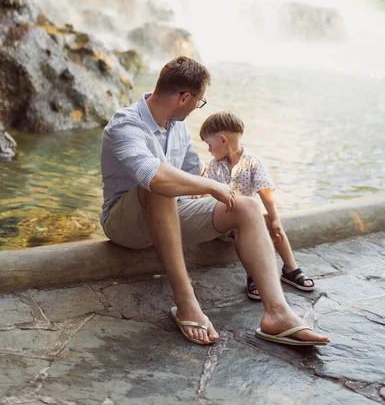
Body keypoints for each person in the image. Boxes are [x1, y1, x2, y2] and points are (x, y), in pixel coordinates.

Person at [100, 56, 330, 347]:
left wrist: (220, 207)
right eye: (200, 101)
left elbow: (195, 173)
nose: (199, 106)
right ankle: (186, 303)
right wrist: (210, 186)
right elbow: (157, 178)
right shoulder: (126, 124)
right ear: (185, 97)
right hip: (126, 224)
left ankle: (277, 313)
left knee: (245, 206)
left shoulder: (178, 128)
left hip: (172, 214)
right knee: (160, 185)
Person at [199, 111, 314, 300]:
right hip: (225, 220)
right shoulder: (214, 166)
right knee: (239, 230)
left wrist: (275, 219)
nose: (209, 150)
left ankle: (291, 268)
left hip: (249, 219)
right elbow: (206, 189)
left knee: (270, 221)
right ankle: (253, 275)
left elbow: (264, 191)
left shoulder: (252, 163)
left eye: (209, 145)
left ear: (222, 139)